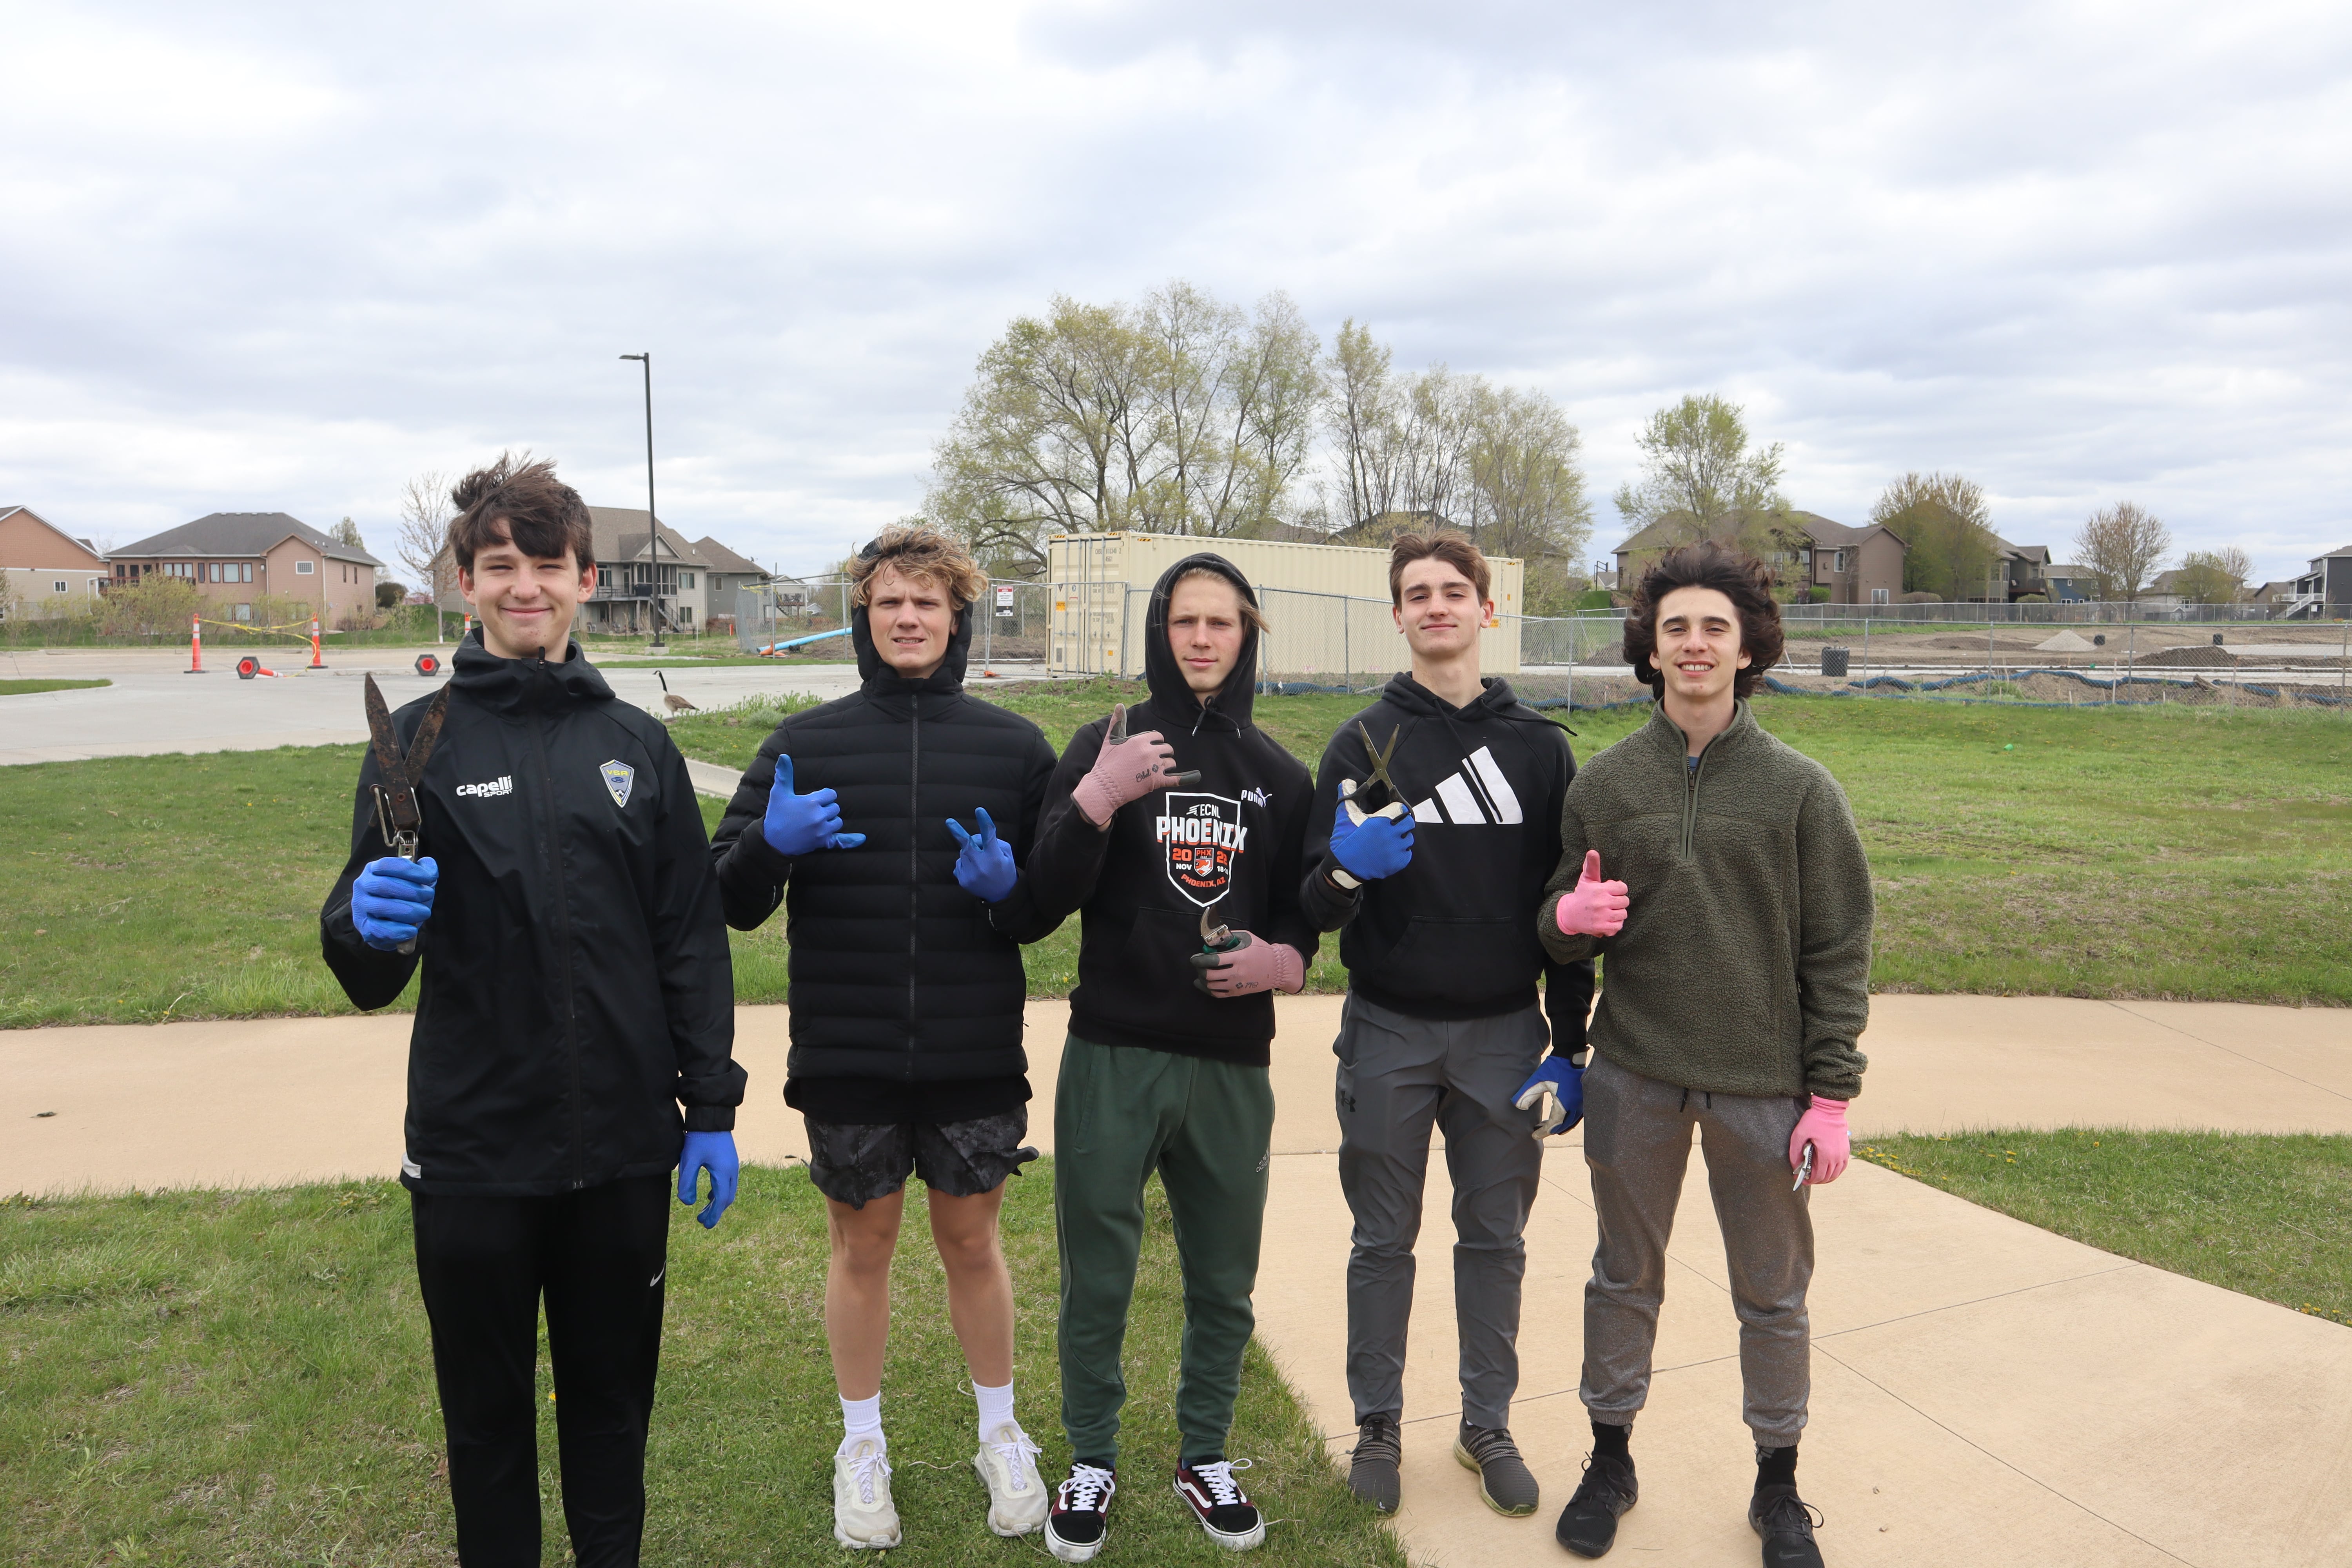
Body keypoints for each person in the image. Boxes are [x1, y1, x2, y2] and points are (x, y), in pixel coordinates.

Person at [321, 455, 746, 1568]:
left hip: (622, 1151)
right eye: (500, 565)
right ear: (464, 580)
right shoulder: (412, 744)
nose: (526, 587)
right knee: (487, 1423)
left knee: (611, 1413)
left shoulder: (635, 745)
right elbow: (370, 972)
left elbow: (689, 938)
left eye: (548, 566)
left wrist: (709, 1105)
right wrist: (365, 920)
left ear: (585, 579)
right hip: (474, 1154)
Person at [707, 526, 1061, 1550]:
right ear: (865, 617)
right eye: (890, 600)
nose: (909, 616)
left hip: (972, 1051)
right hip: (847, 1052)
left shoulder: (1014, 747)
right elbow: (724, 897)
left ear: (957, 618)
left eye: (928, 601)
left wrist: (1010, 892)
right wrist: (769, 846)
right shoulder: (804, 744)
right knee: (861, 1247)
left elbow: (1045, 906)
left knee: (972, 1243)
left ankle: (1000, 1433)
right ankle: (861, 1447)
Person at [1530, 542, 1872, 1568]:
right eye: (1674, 626)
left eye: (1714, 627)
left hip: (1763, 1090)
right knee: (1622, 1277)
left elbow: (1839, 947)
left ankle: (1779, 1482)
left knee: (1773, 1291)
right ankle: (1610, 1459)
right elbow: (1554, 926)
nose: (1693, 644)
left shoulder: (1802, 792)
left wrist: (1831, 1096)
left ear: (1746, 648)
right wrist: (1568, 918)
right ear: (1651, 648)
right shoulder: (1604, 784)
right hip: (1634, 1073)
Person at [1019, 554, 1318, 1563]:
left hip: (1231, 1061)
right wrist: (1095, 801)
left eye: (1220, 622)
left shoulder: (1280, 774)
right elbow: (1042, 893)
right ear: (1159, 629)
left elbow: (1301, 914)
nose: (1201, 638)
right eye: (1184, 620)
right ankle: (1091, 1457)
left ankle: (1205, 1453)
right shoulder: (1105, 741)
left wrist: (1286, 960)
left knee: (1224, 1278)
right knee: (1098, 1275)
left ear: (1247, 633)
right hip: (1116, 1048)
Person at [1298, 532, 1593, 1519]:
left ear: (1486, 609)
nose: (1437, 605)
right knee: (1382, 1240)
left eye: (1454, 591)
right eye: (1417, 593)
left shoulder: (1541, 747)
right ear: (1397, 615)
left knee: (1495, 1238)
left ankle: (1486, 1423)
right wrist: (1346, 873)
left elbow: (1568, 912)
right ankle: (1378, 1424)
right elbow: (1312, 903)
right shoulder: (1362, 743)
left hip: (1505, 1034)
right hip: (1389, 1028)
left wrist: (1570, 1044)